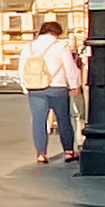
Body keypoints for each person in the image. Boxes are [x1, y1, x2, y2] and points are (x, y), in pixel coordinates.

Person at [20, 18, 80, 164]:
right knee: (63, 119)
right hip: (57, 87)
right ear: (57, 33)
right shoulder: (61, 46)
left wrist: (25, 86)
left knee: (38, 121)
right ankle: (68, 151)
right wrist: (74, 85)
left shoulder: (29, 47)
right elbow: (69, 67)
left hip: (35, 88)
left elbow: (22, 69)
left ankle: (41, 153)